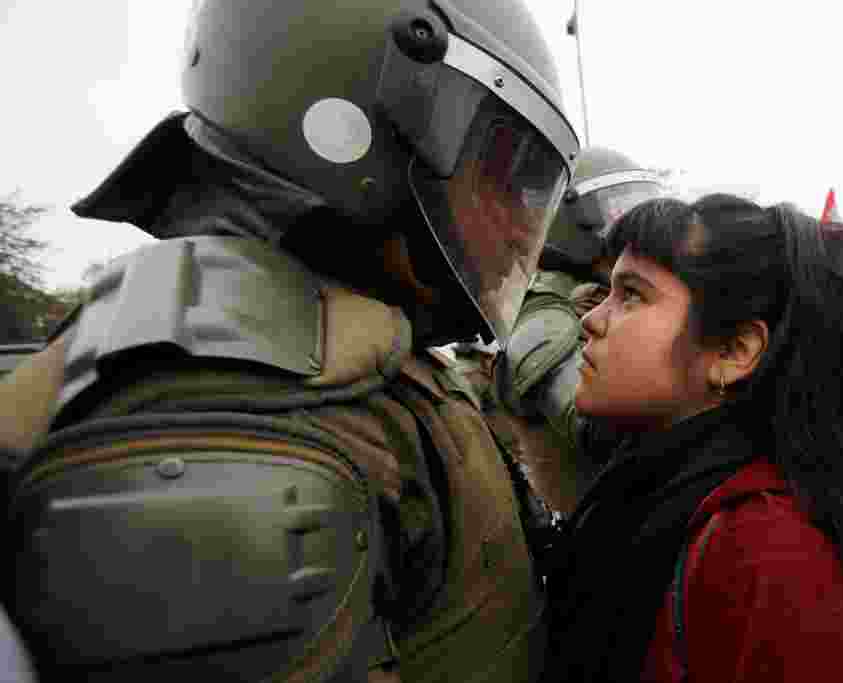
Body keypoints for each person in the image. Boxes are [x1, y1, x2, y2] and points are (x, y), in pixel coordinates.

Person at [0, 1, 579, 680]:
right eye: (499, 176)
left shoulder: (346, 342)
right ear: (359, 127)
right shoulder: (228, 396)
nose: (519, 228)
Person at [542, 195, 843, 682]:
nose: (591, 320)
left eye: (632, 295)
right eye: (605, 293)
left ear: (734, 351)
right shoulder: (659, 485)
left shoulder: (764, 549)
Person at [487, 146, 664, 513]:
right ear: (571, 220)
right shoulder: (540, 312)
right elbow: (602, 428)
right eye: (617, 213)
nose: (637, 233)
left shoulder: (605, 295)